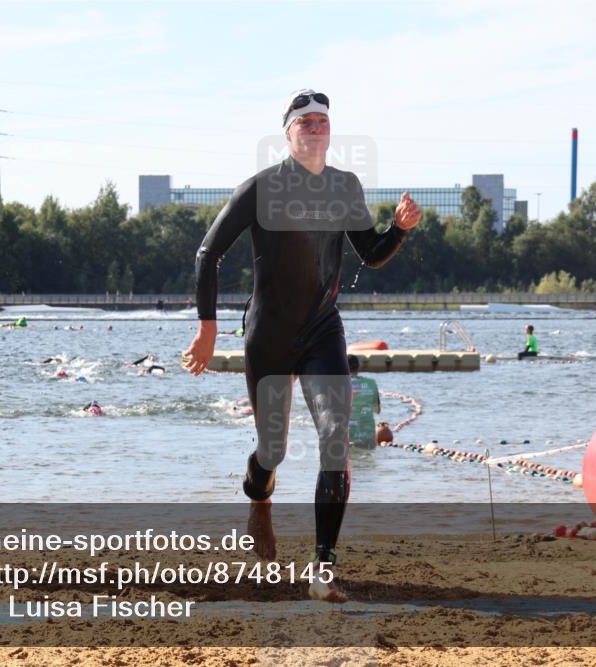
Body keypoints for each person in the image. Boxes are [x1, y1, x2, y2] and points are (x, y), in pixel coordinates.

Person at [183, 88, 421, 603]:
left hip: (321, 330)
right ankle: (259, 498)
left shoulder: (344, 187)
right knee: (274, 449)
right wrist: (207, 328)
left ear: (330, 132)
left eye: (322, 121)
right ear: (288, 133)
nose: (315, 127)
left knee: (336, 437)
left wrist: (398, 231)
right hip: (268, 334)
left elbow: (371, 253)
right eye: (305, 121)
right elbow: (208, 254)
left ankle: (322, 570)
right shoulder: (262, 188)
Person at [347, 355, 380, 450]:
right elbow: (377, 410)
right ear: (358, 367)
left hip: (348, 440)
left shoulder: (339, 384)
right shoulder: (371, 383)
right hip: (369, 439)